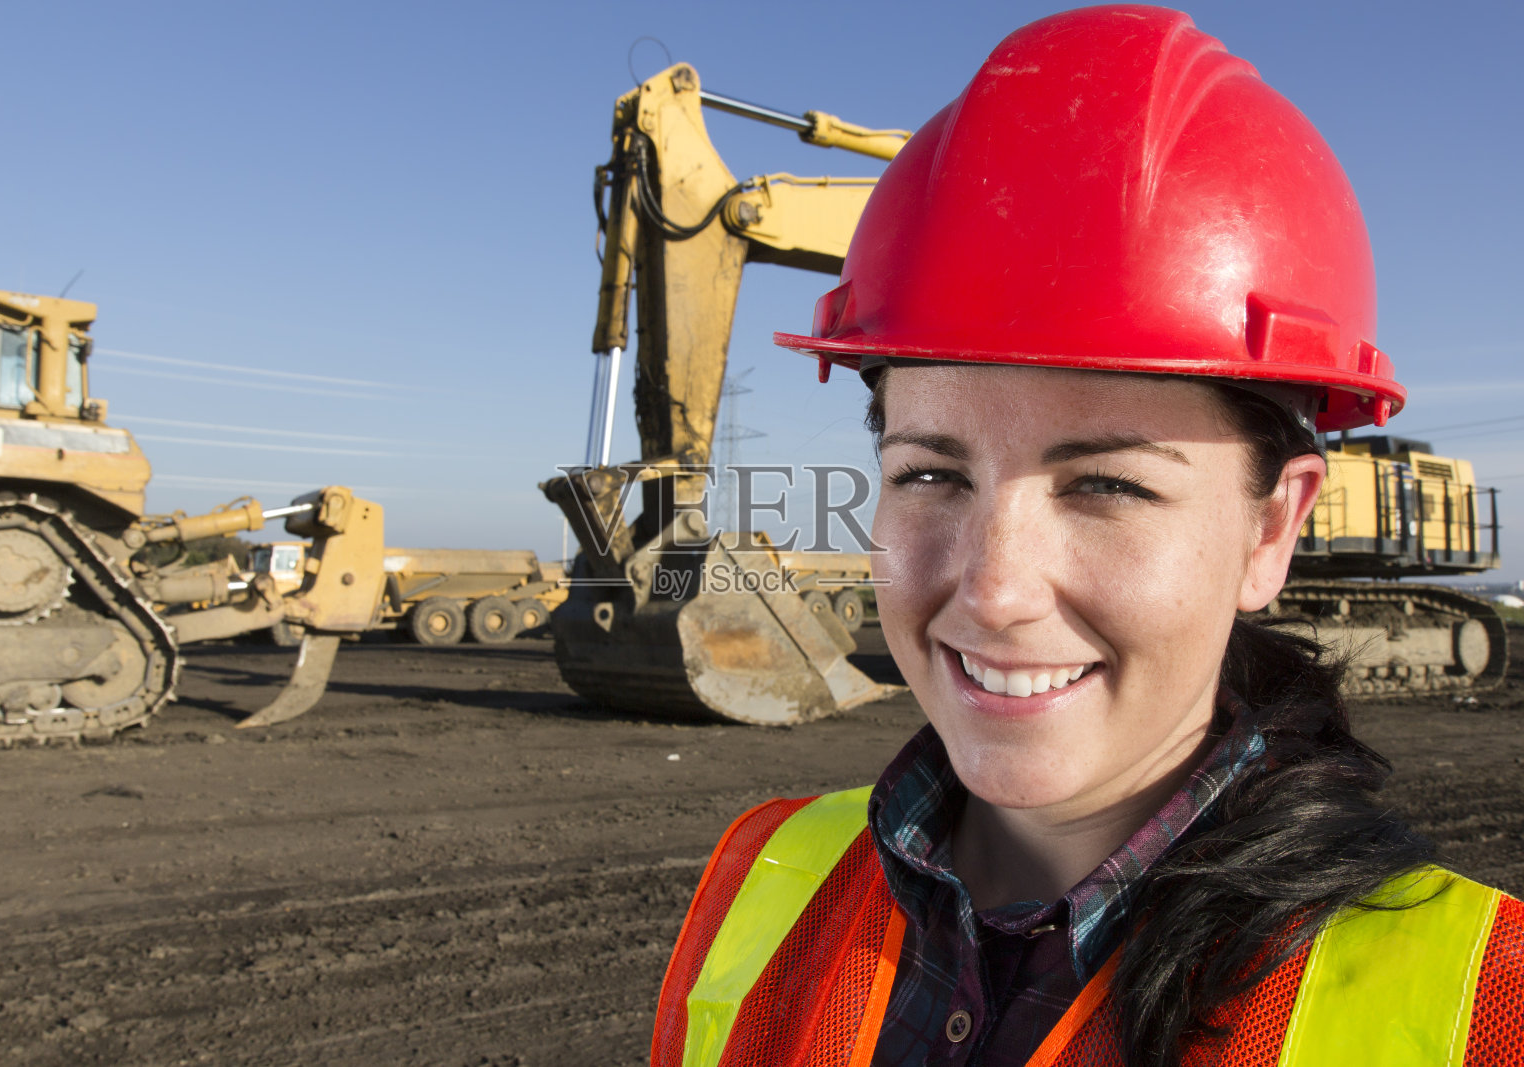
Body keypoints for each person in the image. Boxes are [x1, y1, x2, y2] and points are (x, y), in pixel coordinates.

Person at [650, 7, 1524, 1066]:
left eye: (1107, 485)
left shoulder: (1485, 1007)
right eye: (930, 474)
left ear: (1271, 528)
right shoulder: (769, 880)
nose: (995, 589)